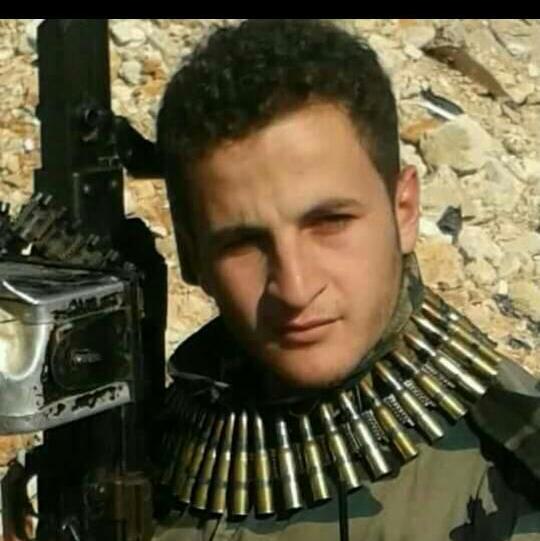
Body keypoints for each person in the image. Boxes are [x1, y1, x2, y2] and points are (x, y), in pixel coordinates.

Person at [153, 19, 540, 541]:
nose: (295, 288)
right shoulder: (149, 453)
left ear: (404, 209)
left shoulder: (516, 478)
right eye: (243, 243)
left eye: (330, 222)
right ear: (191, 257)